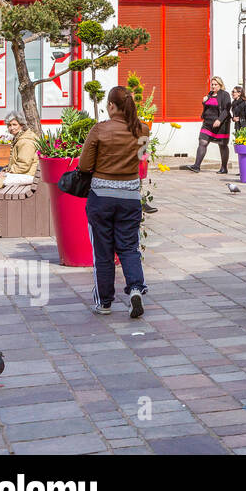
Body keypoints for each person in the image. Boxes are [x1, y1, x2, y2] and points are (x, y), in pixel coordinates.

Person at [80, 85, 149, 318]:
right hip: (130, 198)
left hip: (101, 198)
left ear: (111, 106)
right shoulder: (142, 130)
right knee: (129, 248)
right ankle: (136, 290)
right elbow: (142, 163)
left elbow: (84, 166)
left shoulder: (99, 130)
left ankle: (105, 303)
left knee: (103, 251)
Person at [185, 77, 232, 173]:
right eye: (212, 84)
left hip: (221, 125)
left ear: (220, 85)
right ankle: (196, 166)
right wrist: (204, 102)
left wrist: (219, 120)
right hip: (207, 124)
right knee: (202, 142)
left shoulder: (225, 95)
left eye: (216, 84)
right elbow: (208, 108)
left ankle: (224, 168)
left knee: (222, 145)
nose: (213, 86)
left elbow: (226, 109)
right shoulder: (209, 95)